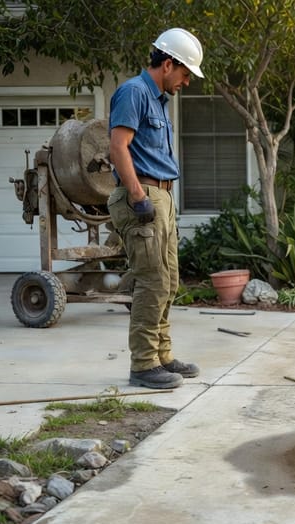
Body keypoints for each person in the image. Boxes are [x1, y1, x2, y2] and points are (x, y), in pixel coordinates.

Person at [107, 28, 204, 389]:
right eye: (185, 73)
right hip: (143, 195)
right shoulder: (134, 92)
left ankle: (162, 355)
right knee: (152, 281)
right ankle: (144, 364)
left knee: (169, 280)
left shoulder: (158, 100)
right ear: (167, 64)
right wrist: (138, 197)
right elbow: (118, 147)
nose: (186, 82)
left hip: (162, 196)